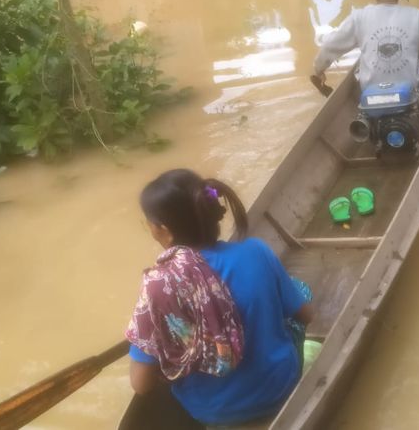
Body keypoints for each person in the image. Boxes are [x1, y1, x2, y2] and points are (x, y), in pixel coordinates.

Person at [122, 169, 313, 429]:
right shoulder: (256, 251)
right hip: (281, 387)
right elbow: (305, 315)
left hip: (213, 412)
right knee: (301, 290)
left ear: (163, 231)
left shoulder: (158, 290)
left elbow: (141, 385)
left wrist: (165, 348)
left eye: (149, 223)